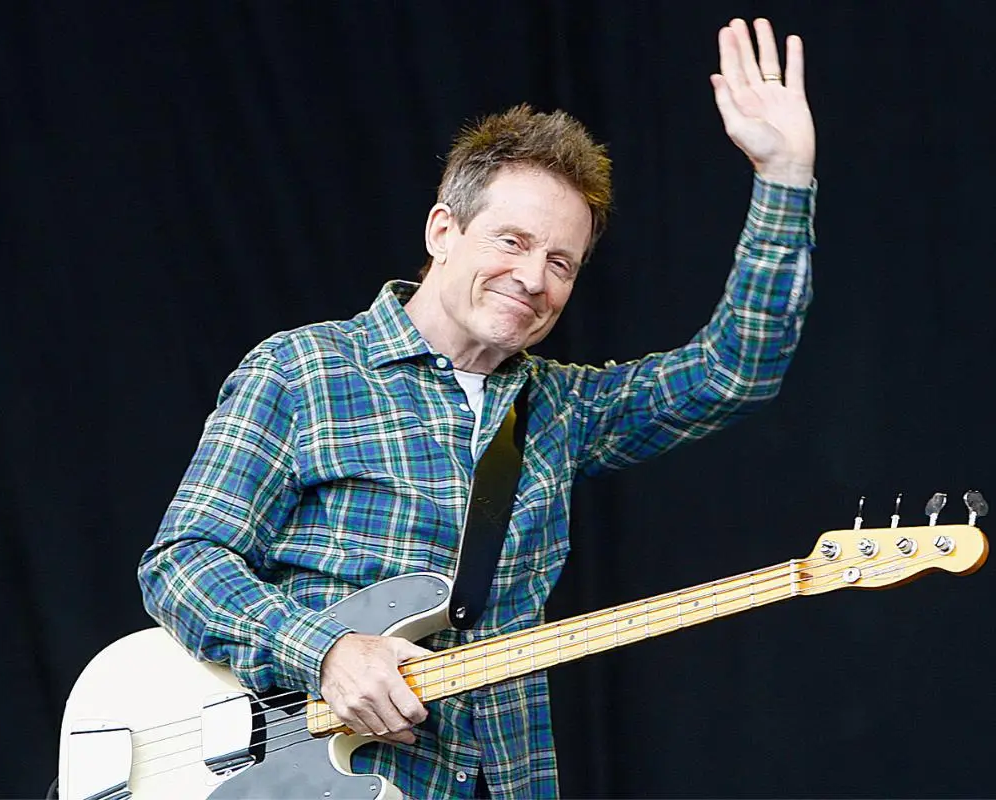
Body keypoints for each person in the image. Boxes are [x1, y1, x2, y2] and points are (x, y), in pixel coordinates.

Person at [138, 16, 816, 799]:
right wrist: (325, 651)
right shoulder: (303, 369)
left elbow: (735, 371)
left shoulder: (558, 408)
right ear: (443, 230)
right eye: (512, 242)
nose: (534, 278)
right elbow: (182, 562)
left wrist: (785, 179)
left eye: (561, 261)